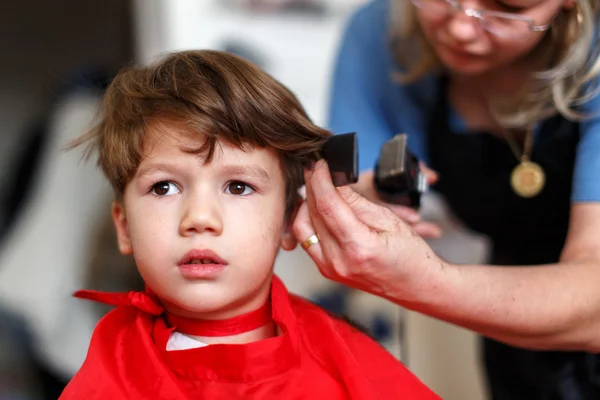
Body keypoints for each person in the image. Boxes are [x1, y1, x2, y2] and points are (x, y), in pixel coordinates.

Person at [58, 50, 439, 399]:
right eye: (164, 187)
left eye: (238, 186)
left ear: (291, 221)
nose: (200, 219)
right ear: (124, 228)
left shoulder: (345, 359)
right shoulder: (110, 371)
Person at [296, 0, 600, 399]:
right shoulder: (381, 33)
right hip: (512, 335)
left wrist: (423, 280)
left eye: (508, 7)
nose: (460, 28)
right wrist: (364, 207)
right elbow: (355, 185)